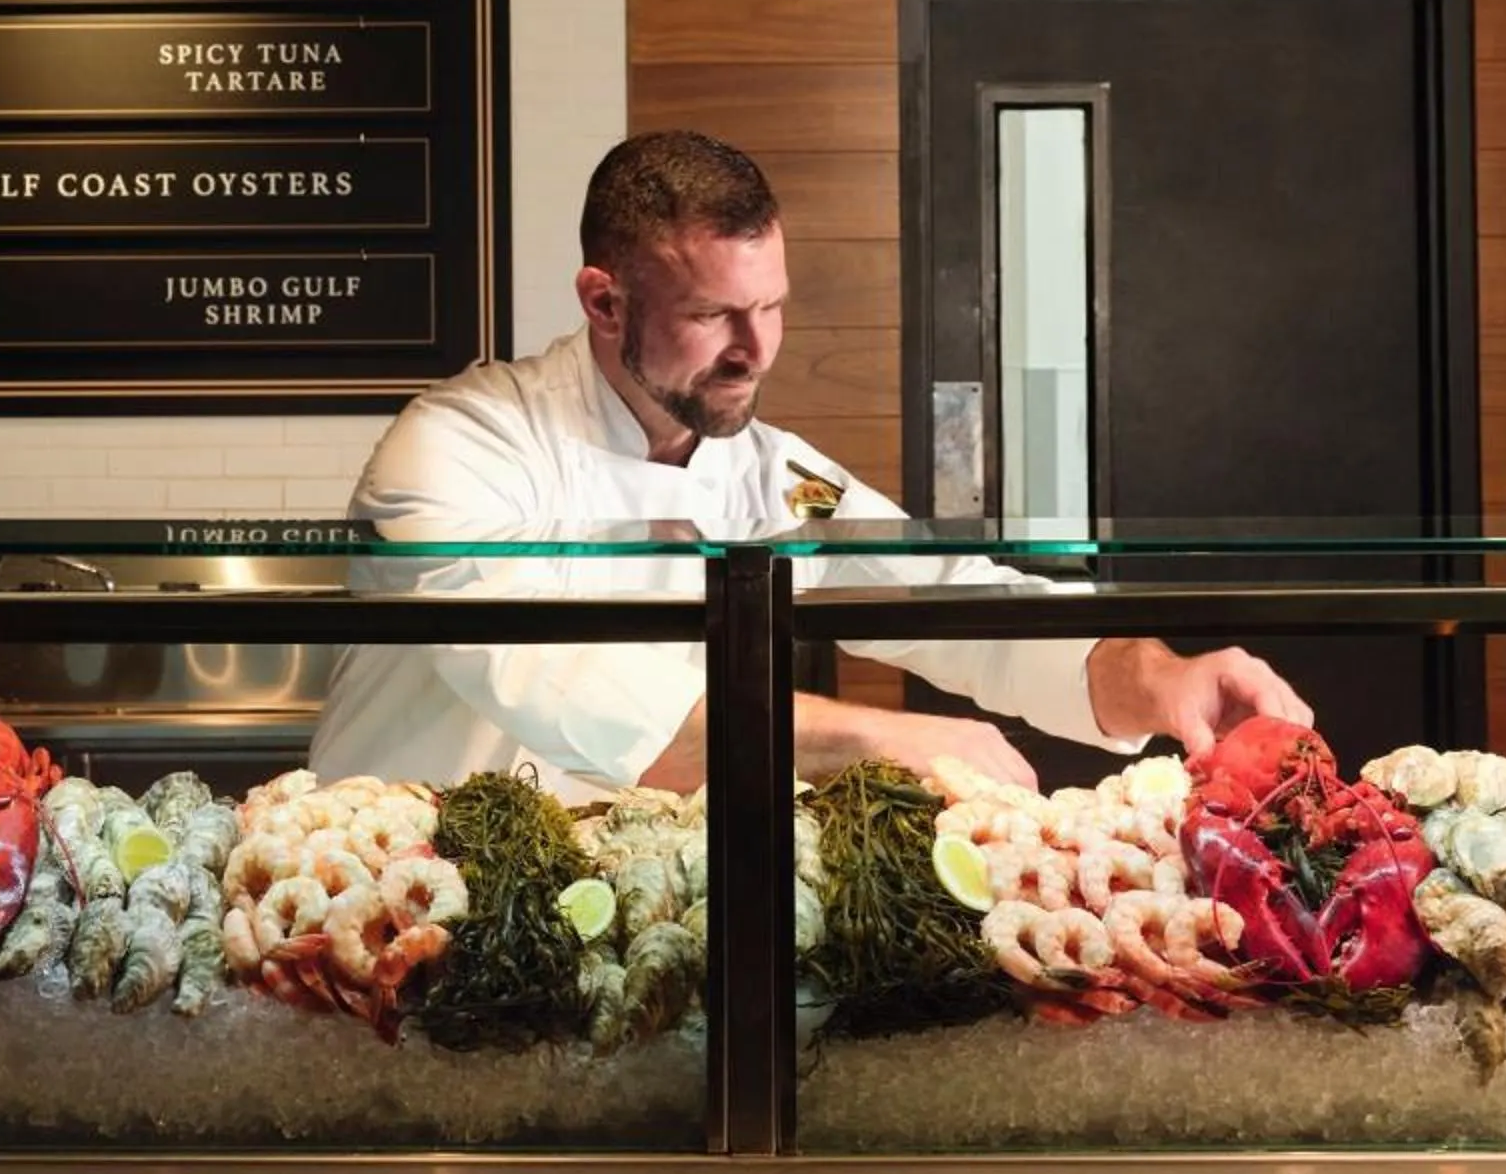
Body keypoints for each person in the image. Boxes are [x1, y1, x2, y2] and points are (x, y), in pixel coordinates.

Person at [308, 130, 1311, 799]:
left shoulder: (777, 474)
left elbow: (952, 598)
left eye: (773, 305)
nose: (756, 349)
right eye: (713, 315)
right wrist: (877, 738)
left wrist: (1153, 672)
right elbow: (564, 679)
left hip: (624, 916)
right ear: (604, 301)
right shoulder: (462, 445)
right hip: (398, 903)